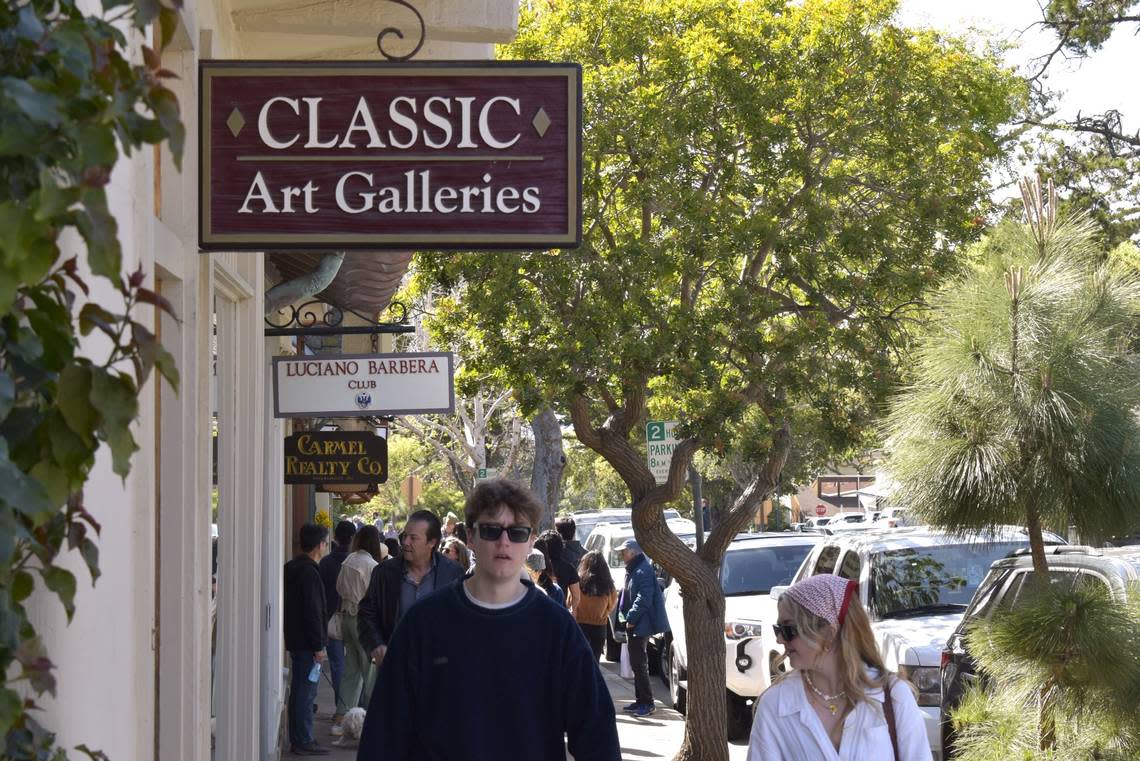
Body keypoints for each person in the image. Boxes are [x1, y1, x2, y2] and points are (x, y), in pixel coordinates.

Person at [356, 479, 620, 760]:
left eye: (517, 532)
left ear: (531, 542)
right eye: (491, 530)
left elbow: (597, 734)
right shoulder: (422, 623)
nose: (504, 542)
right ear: (470, 537)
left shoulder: (557, 629)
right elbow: (384, 733)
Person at [747, 574, 932, 760]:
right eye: (778, 629)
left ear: (828, 632)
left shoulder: (893, 696)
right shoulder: (776, 705)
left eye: (788, 630)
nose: (779, 639)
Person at [356, 509, 464, 671]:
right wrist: (377, 645)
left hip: (440, 671)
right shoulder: (385, 572)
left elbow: (462, 619)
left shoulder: (453, 573)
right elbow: (366, 613)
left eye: (413, 538)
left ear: (432, 542)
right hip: (395, 668)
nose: (405, 542)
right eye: (404, 536)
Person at [283, 522, 331, 756]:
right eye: (325, 542)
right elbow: (313, 611)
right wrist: (318, 645)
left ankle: (300, 737)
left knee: (299, 691)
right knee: (306, 692)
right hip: (307, 643)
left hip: (295, 638)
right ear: (320, 545)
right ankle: (303, 738)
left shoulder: (291, 567)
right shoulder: (309, 572)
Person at [334, 525, 387, 730]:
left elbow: (338, 587)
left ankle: (341, 716)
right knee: (370, 672)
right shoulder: (373, 565)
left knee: (351, 670)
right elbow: (375, 597)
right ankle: (375, 719)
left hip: (347, 617)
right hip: (363, 621)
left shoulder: (348, 560)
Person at [617, 538, 669, 717]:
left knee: (639, 664)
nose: (622, 555)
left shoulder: (642, 570)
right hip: (636, 623)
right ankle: (641, 701)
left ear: (633, 552)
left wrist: (631, 618)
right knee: (637, 663)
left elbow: (644, 597)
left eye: (624, 551)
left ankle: (647, 703)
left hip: (640, 623)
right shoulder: (635, 569)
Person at [318, 519, 355, 729]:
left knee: (338, 665)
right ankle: (350, 710)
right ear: (352, 539)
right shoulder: (354, 562)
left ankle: (339, 711)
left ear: (335, 537)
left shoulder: (325, 562)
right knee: (355, 667)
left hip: (330, 620)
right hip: (352, 617)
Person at [574, 550, 618, 661]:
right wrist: (604, 613)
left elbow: (571, 600)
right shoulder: (609, 584)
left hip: (581, 624)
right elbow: (612, 603)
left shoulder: (578, 581)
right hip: (599, 626)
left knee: (580, 660)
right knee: (595, 660)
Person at [535, 530, 581, 614]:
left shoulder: (537, 566)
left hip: (538, 610)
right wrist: (573, 611)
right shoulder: (568, 567)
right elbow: (576, 596)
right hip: (560, 610)